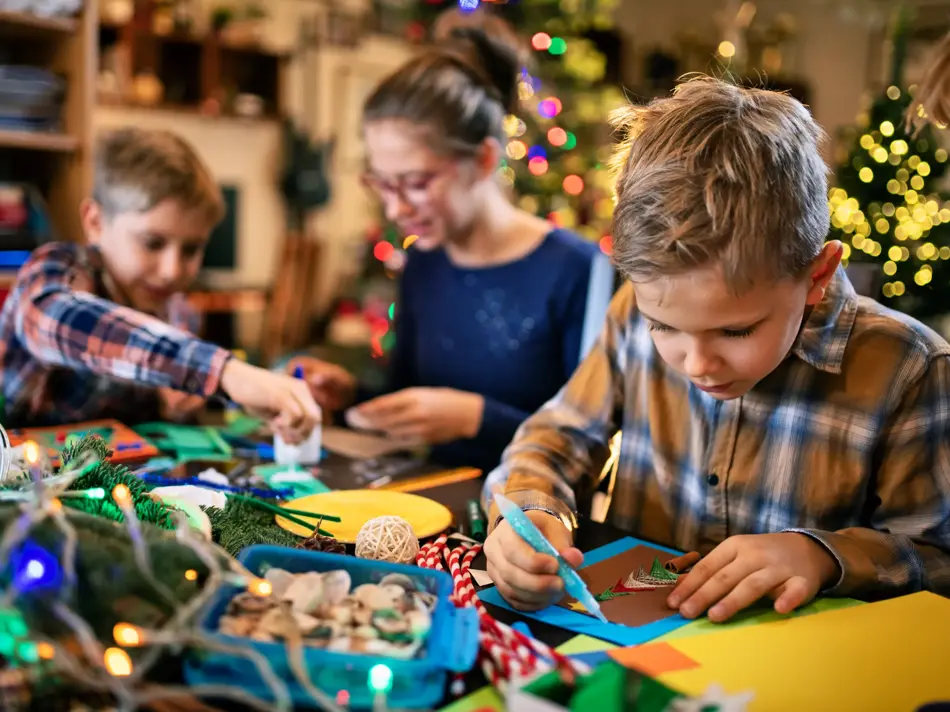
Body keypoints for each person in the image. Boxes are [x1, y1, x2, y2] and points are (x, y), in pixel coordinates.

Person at [482, 76, 950, 623]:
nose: (697, 364)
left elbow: (939, 559)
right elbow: (553, 438)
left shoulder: (909, 369)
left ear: (817, 274)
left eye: (735, 332)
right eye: (665, 328)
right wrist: (535, 512)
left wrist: (825, 556)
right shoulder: (632, 311)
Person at [296, 11, 600, 473]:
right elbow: (412, 401)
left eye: (415, 182)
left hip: (532, 519)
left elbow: (590, 447)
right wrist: (351, 397)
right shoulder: (424, 264)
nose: (396, 210)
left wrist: (475, 419)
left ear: (482, 160)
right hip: (428, 503)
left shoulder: (578, 270)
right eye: (382, 182)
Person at [0, 127, 320, 443]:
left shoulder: (179, 312)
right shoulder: (54, 269)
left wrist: (181, 406)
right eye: (152, 243)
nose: (172, 271)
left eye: (192, 248)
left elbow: (164, 422)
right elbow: (55, 317)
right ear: (95, 222)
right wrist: (223, 372)